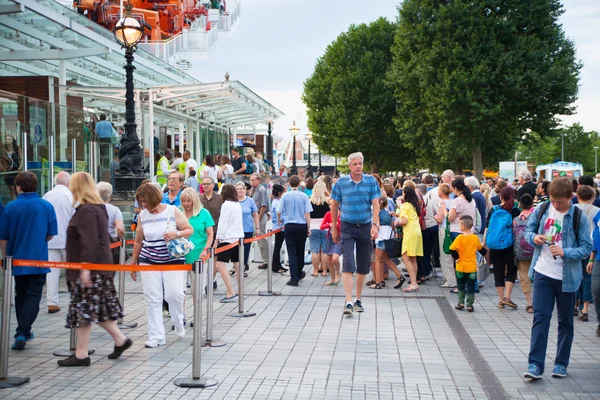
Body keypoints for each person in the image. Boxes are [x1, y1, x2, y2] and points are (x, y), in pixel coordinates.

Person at [57, 172, 132, 367]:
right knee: (91, 311)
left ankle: (86, 353)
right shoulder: (96, 208)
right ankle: (115, 341)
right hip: (96, 269)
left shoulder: (87, 210)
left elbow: (89, 242)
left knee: (87, 310)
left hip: (91, 270)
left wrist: (85, 269)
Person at [523, 177, 592, 380]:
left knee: (565, 322)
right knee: (540, 319)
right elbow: (528, 231)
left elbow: (587, 248)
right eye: (553, 200)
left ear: (570, 197)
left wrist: (565, 252)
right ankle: (535, 364)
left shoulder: (579, 216)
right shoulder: (543, 209)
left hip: (568, 277)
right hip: (543, 272)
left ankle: (561, 363)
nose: (555, 205)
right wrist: (534, 238)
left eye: (559, 202)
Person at [130, 184, 194, 347]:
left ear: (153, 198)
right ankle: (156, 336)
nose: (143, 205)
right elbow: (138, 241)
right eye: (141, 202)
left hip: (172, 259)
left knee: (175, 295)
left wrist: (176, 233)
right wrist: (133, 263)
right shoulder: (143, 216)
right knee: (152, 298)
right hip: (148, 259)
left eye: (144, 201)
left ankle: (179, 321)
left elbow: (189, 229)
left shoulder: (172, 211)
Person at [0, 172, 57, 350]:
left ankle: (23, 330)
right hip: (38, 259)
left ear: (18, 187)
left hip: (16, 260)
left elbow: (3, 237)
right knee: (33, 296)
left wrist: (5, 257)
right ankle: (23, 331)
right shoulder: (46, 206)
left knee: (21, 295)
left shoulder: (10, 207)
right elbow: (50, 234)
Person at [330, 152, 380, 315]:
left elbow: (376, 204)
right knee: (348, 262)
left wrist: (375, 224)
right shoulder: (341, 183)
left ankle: (358, 299)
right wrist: (334, 228)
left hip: (365, 225)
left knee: (363, 263)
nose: (358, 166)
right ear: (349, 166)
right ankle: (348, 301)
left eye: (360, 164)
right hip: (347, 226)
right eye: (355, 164)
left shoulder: (371, 181)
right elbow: (334, 206)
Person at [43, 171, 73, 313]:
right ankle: (75, 299)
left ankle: (52, 302)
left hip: (51, 238)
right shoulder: (70, 196)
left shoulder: (47, 195)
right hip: (68, 239)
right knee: (73, 270)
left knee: (52, 271)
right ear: (68, 182)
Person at [485, 186, 521, 309]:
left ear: (500, 196)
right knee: (512, 269)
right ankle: (507, 297)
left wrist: (485, 244)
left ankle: (500, 300)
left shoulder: (493, 209)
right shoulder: (516, 210)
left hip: (494, 244)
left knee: (498, 271)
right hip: (510, 244)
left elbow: (487, 228)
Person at [278, 175, 313, 286]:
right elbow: (307, 213)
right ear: (299, 184)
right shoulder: (304, 196)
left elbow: (278, 211)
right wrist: (308, 227)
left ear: (289, 183)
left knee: (291, 251)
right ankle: (299, 272)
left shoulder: (285, 196)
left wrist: (280, 221)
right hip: (301, 225)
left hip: (289, 225)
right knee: (300, 250)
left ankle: (294, 277)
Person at [574, 185, 600, 322]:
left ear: (577, 196)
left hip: (575, 248)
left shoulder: (573, 210)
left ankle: (573, 304)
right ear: (593, 197)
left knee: (575, 275)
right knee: (588, 278)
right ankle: (585, 309)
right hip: (591, 249)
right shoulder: (598, 211)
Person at [450, 216, 485, 312]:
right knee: (470, 285)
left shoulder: (459, 238)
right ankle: (470, 305)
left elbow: (452, 249)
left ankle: (461, 302)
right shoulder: (475, 238)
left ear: (463, 226)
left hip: (460, 267)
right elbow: (481, 250)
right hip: (472, 268)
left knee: (461, 285)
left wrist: (456, 258)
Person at [215, 184, 244, 303]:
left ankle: (230, 292)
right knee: (237, 264)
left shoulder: (226, 205)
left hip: (227, 238)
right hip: (237, 237)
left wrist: (217, 239)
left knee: (219, 265)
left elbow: (223, 222)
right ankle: (240, 291)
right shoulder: (237, 204)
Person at [370, 195, 405, 289]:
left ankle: (378, 282)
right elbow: (393, 226)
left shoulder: (377, 213)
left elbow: (376, 225)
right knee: (386, 259)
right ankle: (399, 276)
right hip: (388, 238)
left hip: (381, 238)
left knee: (377, 259)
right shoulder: (388, 214)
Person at [397, 186, 424, 292]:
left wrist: (396, 222)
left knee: (405, 258)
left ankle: (413, 283)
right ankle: (414, 283)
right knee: (413, 259)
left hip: (409, 233)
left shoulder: (404, 206)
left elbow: (404, 221)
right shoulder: (415, 205)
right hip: (417, 232)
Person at [513, 194, 535, 313]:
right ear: (532, 204)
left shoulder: (516, 220)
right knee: (537, 276)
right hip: (535, 250)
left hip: (521, 252)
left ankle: (529, 303)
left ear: (520, 205)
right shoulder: (535, 218)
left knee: (524, 275)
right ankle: (538, 301)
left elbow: (514, 236)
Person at [181, 188, 214, 265]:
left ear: (194, 201)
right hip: (180, 254)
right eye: (183, 201)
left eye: (189, 201)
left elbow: (210, 234)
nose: (186, 204)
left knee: (196, 277)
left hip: (198, 253)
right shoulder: (179, 212)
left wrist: (206, 249)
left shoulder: (204, 213)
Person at [233, 181, 259, 274]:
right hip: (235, 230)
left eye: (241, 189)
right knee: (235, 249)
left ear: (245, 190)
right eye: (237, 189)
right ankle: (236, 266)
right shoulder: (233, 201)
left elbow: (255, 215)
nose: (239, 191)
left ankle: (243, 267)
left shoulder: (250, 201)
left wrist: (257, 228)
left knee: (246, 250)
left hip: (247, 229)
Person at [97, 182, 125, 264]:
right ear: (110, 195)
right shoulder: (115, 210)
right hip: (110, 244)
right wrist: (118, 238)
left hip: (94, 244)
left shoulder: (90, 208)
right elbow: (120, 229)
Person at [434, 183, 456, 288]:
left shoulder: (441, 203)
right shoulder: (453, 201)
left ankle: (450, 280)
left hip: (443, 229)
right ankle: (449, 278)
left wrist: (435, 217)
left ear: (441, 192)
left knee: (445, 255)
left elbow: (440, 219)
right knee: (451, 256)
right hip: (453, 229)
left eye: (438, 190)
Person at [308, 180, 330, 276]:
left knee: (314, 250)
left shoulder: (310, 202)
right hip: (325, 227)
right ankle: (324, 271)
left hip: (313, 227)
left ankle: (315, 271)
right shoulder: (326, 202)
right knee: (325, 250)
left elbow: (307, 215)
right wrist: (328, 194)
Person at [249, 173, 270, 270]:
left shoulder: (262, 190)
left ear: (258, 180)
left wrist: (259, 218)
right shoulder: (251, 189)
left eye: (253, 180)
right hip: (252, 216)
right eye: (251, 180)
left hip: (259, 216)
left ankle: (267, 260)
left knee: (261, 238)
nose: (251, 181)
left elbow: (264, 205)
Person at [270, 184, 288, 274]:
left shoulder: (275, 201)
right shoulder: (278, 202)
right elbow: (279, 212)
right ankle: (276, 266)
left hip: (277, 226)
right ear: (280, 193)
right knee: (278, 246)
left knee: (278, 246)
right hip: (280, 227)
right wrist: (282, 220)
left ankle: (277, 265)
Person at [321, 209, 341, 285]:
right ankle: (332, 279)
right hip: (330, 237)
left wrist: (336, 225)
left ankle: (338, 273)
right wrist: (329, 224)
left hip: (339, 238)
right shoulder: (328, 214)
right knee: (329, 259)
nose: (331, 206)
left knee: (335, 258)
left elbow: (343, 228)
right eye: (329, 204)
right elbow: (322, 226)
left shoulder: (342, 215)